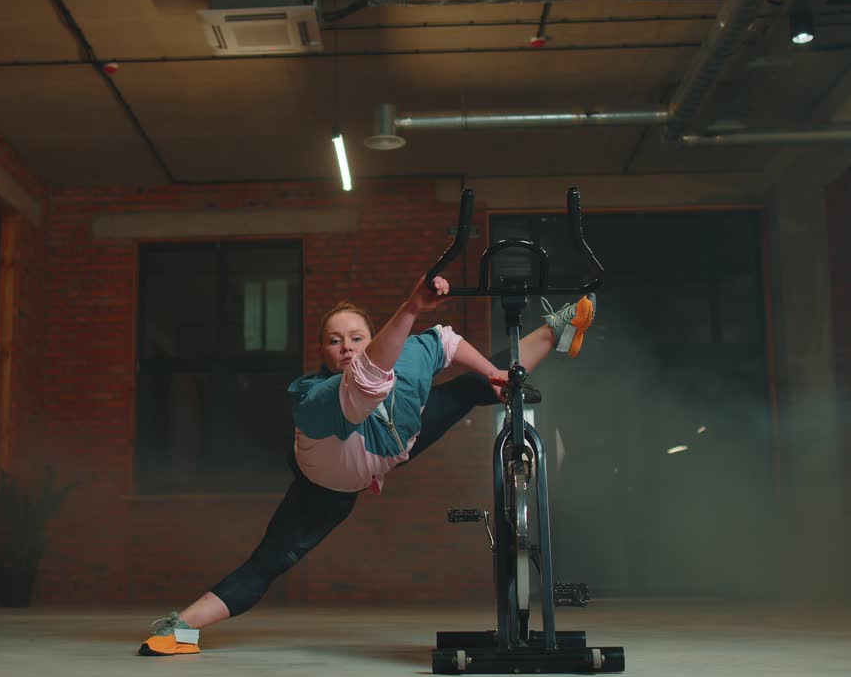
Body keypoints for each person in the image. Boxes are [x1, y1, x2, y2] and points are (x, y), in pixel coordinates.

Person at [138, 274, 597, 656]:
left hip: (389, 448)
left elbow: (446, 342)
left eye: (357, 337)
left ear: (373, 338)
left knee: (466, 390)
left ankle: (557, 329)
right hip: (326, 483)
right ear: (323, 352)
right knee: (269, 561)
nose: (347, 347)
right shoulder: (313, 398)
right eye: (334, 341)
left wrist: (494, 376)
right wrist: (412, 305)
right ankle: (180, 627)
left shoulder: (407, 358)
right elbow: (367, 380)